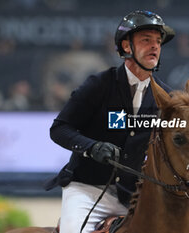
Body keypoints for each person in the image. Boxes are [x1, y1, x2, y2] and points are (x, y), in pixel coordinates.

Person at [44, 10, 174, 233]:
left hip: (135, 196)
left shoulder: (167, 97)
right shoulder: (99, 84)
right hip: (87, 190)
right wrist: (91, 147)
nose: (155, 46)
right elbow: (59, 129)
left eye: (158, 42)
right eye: (146, 40)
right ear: (126, 47)